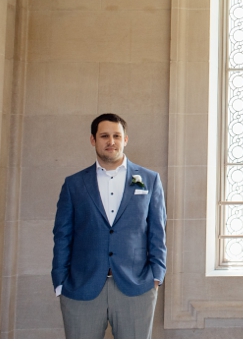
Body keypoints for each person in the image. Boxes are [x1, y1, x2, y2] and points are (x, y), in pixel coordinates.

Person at [52, 113, 167, 339]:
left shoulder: (149, 179)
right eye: (104, 136)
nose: (111, 141)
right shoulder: (74, 184)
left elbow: (158, 232)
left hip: (136, 287)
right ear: (93, 140)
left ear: (125, 139)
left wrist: (157, 275)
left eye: (116, 136)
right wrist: (60, 281)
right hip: (81, 287)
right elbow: (62, 236)